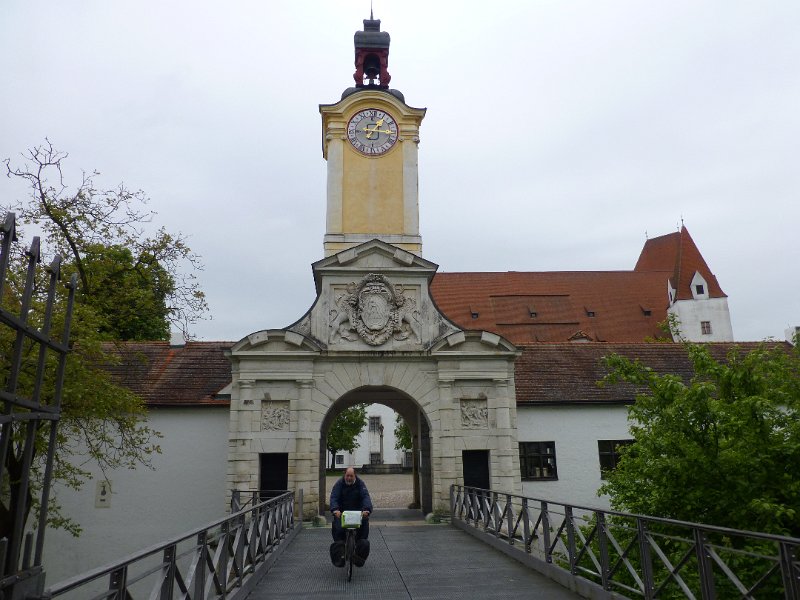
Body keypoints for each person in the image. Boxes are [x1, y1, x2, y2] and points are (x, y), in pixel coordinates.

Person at [329, 467, 373, 568]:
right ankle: (339, 554)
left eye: (351, 476)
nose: (349, 478)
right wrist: (335, 509)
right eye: (347, 476)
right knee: (338, 529)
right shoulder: (339, 484)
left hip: (357, 512)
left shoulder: (360, 484)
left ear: (355, 476)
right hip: (342, 512)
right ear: (344, 475)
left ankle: (359, 555)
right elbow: (334, 497)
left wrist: (366, 509)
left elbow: (365, 496)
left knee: (364, 529)